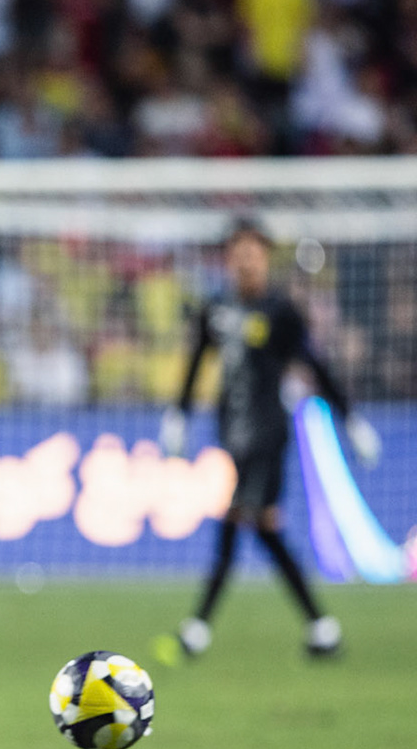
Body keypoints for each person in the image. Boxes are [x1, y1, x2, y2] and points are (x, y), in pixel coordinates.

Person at [160, 216, 380, 659]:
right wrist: (179, 414)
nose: (246, 261)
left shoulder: (281, 310)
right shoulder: (217, 309)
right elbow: (197, 361)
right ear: (228, 258)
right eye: (238, 252)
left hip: (269, 433)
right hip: (232, 433)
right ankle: (321, 627)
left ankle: (197, 628)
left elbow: (315, 365)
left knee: (237, 517)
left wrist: (350, 418)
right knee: (264, 528)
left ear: (264, 257)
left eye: (253, 252)